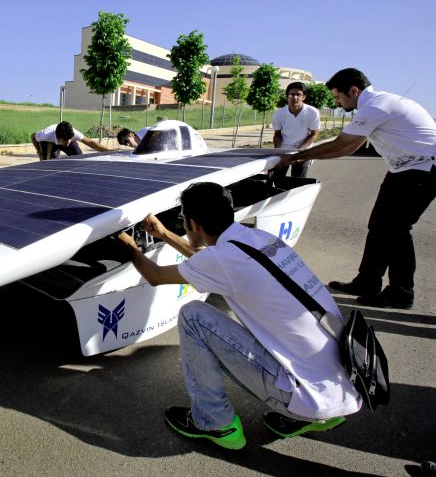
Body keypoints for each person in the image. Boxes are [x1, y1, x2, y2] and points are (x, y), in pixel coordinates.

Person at [116, 182, 361, 450]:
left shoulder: (221, 260)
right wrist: (164, 235)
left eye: (182, 220)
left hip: (308, 395)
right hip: (343, 382)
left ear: (193, 224)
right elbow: (206, 260)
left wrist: (128, 245)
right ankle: (319, 417)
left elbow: (155, 276)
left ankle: (214, 423)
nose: (182, 225)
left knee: (193, 316)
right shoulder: (260, 240)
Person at [277, 68, 436, 309]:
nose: (337, 102)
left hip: (427, 168)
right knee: (379, 225)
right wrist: (300, 157)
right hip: (404, 168)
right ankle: (367, 281)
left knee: (397, 229)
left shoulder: (376, 107)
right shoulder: (376, 105)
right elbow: (347, 145)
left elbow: (343, 146)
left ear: (354, 91)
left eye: (338, 97)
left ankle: (401, 292)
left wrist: (296, 157)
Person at [271, 82, 321, 178]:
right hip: (284, 151)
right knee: (276, 180)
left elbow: (314, 135)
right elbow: (277, 134)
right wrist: (278, 152)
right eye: (292, 94)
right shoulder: (279, 114)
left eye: (298, 94)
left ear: (304, 97)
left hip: (303, 151)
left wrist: (300, 151)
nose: (295, 97)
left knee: (297, 182)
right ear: (287, 96)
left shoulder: (312, 112)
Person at [31, 121, 111, 160]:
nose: (67, 143)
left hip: (63, 140)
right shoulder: (46, 135)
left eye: (68, 140)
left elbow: (90, 142)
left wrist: (109, 151)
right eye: (65, 141)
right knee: (49, 162)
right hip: (50, 144)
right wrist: (39, 153)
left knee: (79, 157)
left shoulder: (73, 133)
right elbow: (33, 137)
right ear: (59, 138)